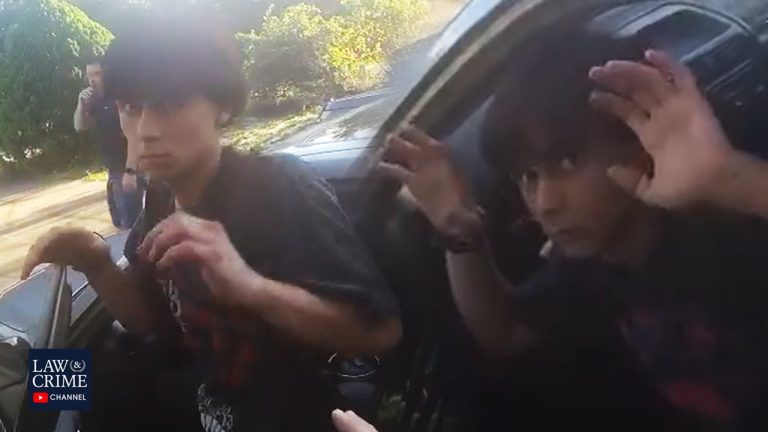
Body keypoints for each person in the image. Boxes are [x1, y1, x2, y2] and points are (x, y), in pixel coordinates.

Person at [23, 13, 401, 432]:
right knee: (48, 387)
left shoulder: (279, 187)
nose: (146, 130)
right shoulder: (161, 197)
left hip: (277, 412)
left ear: (221, 106)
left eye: (171, 104)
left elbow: (378, 333)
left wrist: (248, 286)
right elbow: (154, 323)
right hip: (196, 395)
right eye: (131, 108)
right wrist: (95, 261)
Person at [382, 29, 768, 430]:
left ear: (639, 140)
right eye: (527, 175)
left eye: (567, 162)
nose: (545, 202)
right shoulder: (589, 265)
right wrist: (460, 232)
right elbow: (505, 332)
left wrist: (729, 179)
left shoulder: (733, 228)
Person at [74, 56, 145, 230]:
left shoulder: (119, 100)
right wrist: (81, 105)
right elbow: (79, 127)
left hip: (129, 168)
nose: (92, 79)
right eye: (89, 75)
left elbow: (134, 137)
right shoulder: (95, 101)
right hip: (114, 171)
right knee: (119, 221)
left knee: (132, 226)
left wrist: (131, 171)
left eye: (96, 74)